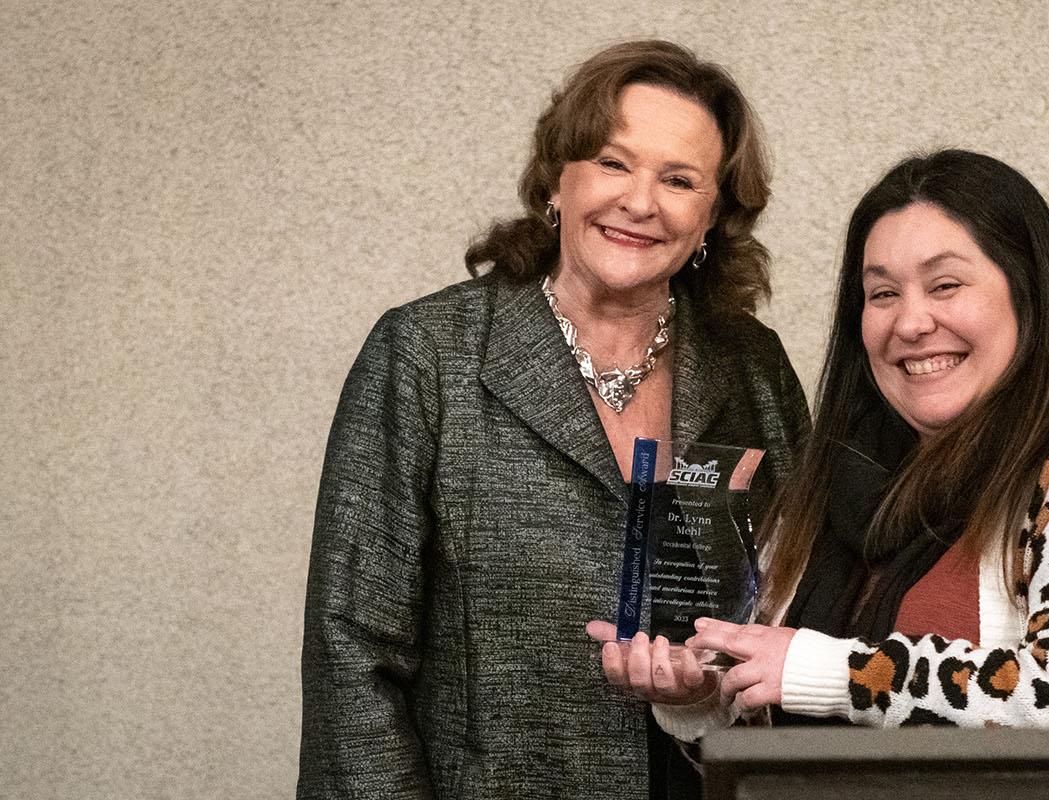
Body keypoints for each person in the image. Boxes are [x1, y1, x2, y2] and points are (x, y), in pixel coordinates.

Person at [297, 40, 810, 800]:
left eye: (679, 179)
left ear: (712, 217)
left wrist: (706, 686)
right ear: (557, 181)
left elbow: (802, 601)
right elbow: (352, 654)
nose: (640, 201)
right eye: (613, 163)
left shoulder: (751, 365)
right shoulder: (428, 355)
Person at [602, 149, 1049, 733]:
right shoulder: (827, 481)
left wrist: (840, 674)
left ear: (1028, 295)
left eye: (945, 285)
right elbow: (769, 702)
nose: (912, 322)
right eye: (883, 294)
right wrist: (700, 698)